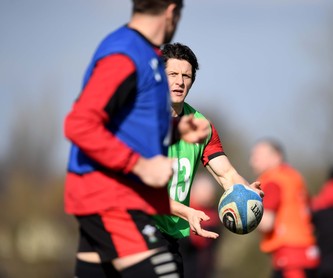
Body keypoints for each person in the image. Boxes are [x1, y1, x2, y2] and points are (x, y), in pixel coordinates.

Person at [63, 1, 211, 277]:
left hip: (108, 197)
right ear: (171, 11)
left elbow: (125, 124)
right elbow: (79, 124)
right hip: (109, 197)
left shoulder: (146, 55)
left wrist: (176, 131)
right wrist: (140, 166)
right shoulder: (125, 54)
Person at [153, 42, 264, 275]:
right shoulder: (141, 121)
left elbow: (226, 174)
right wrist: (187, 211)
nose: (180, 82)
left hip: (170, 237)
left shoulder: (201, 125)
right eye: (172, 74)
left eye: (186, 76)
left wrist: (243, 190)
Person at [249, 138, 320, 278]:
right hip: (307, 253)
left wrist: (242, 215)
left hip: (290, 258)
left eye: (257, 156)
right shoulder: (295, 177)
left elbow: (266, 223)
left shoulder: (271, 181)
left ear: (276, 156)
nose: (251, 161)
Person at [179, 173, 222, 278]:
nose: (207, 195)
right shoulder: (181, 213)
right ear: (193, 192)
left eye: (209, 192)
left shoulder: (214, 219)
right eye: (203, 191)